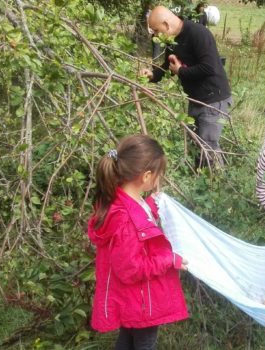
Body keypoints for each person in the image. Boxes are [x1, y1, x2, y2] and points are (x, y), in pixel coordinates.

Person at [87, 135, 189, 350]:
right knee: (143, 344)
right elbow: (131, 268)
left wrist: (151, 205)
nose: (159, 179)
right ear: (146, 176)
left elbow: (137, 228)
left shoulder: (122, 200)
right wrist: (170, 259)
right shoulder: (124, 219)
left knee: (127, 341)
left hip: (134, 300)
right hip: (142, 301)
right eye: (159, 174)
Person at [141, 6, 232, 167]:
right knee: (197, 146)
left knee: (208, 147)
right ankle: (201, 180)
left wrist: (181, 71)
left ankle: (218, 184)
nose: (154, 34)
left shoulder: (198, 34)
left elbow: (209, 67)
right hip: (196, 99)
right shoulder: (172, 39)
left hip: (212, 99)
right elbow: (169, 64)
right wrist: (153, 75)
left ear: (166, 25)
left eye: (156, 30)